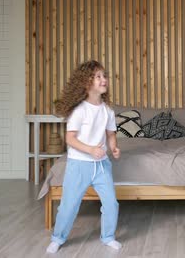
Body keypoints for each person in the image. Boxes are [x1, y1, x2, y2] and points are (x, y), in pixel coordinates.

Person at [46, 60, 122, 254]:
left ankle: (108, 237)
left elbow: (111, 134)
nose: (103, 79)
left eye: (104, 76)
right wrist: (90, 150)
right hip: (79, 165)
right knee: (69, 205)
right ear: (86, 83)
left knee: (111, 203)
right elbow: (69, 138)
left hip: (102, 165)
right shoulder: (79, 111)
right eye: (98, 76)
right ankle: (57, 238)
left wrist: (113, 148)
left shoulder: (108, 111)